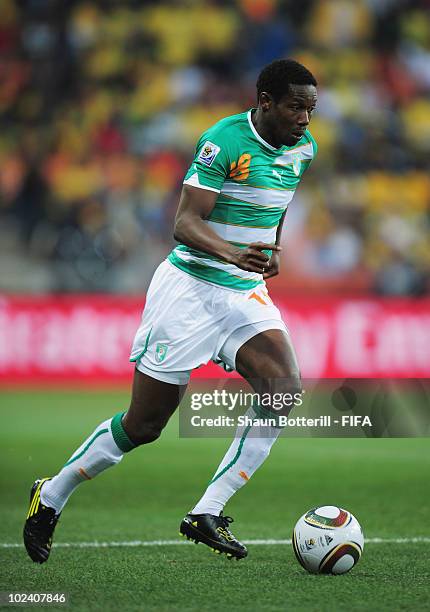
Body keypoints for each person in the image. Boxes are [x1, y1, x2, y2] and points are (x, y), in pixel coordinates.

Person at [23, 58, 318, 563]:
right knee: (144, 425)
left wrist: (272, 245)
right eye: (296, 107)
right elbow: (184, 222)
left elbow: (280, 202)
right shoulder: (222, 142)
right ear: (265, 101)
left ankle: (207, 510)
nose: (305, 120)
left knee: (283, 390)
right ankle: (51, 494)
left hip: (243, 292)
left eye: (311, 109)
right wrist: (232, 251)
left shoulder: (304, 149)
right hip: (189, 291)